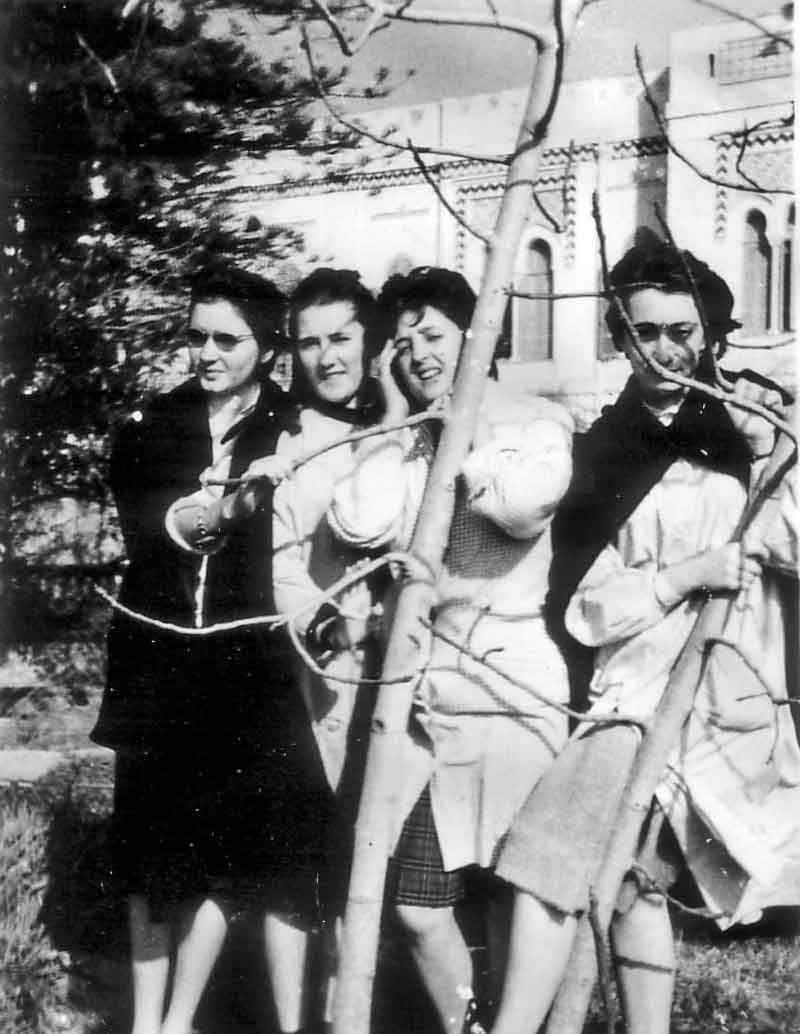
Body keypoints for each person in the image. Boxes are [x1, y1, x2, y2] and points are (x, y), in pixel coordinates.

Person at [488, 237, 800, 1034]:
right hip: (629, 694)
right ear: (619, 337)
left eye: (682, 332)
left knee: (573, 861)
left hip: (721, 707)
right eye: (643, 331)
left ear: (711, 335)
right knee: (601, 873)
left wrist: (771, 455)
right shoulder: (601, 451)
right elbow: (585, 609)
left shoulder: (753, 430)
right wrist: (684, 574)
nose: (663, 350)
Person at [326, 266, 575, 1034]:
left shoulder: (532, 422)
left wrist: (463, 431)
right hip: (429, 696)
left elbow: (520, 508)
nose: (419, 354)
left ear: (480, 335)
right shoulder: (413, 438)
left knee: (516, 891)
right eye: (404, 344)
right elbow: (358, 522)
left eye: (434, 336)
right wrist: (400, 418)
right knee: (417, 905)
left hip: (510, 684)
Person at [92, 263, 332, 1034]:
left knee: (221, 854)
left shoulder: (295, 427)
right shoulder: (151, 427)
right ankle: (146, 1023)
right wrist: (235, 504)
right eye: (196, 336)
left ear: (267, 346)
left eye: (227, 340)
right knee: (149, 856)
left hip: (246, 672)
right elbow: (163, 529)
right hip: (158, 666)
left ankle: (178, 1021)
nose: (206, 353)